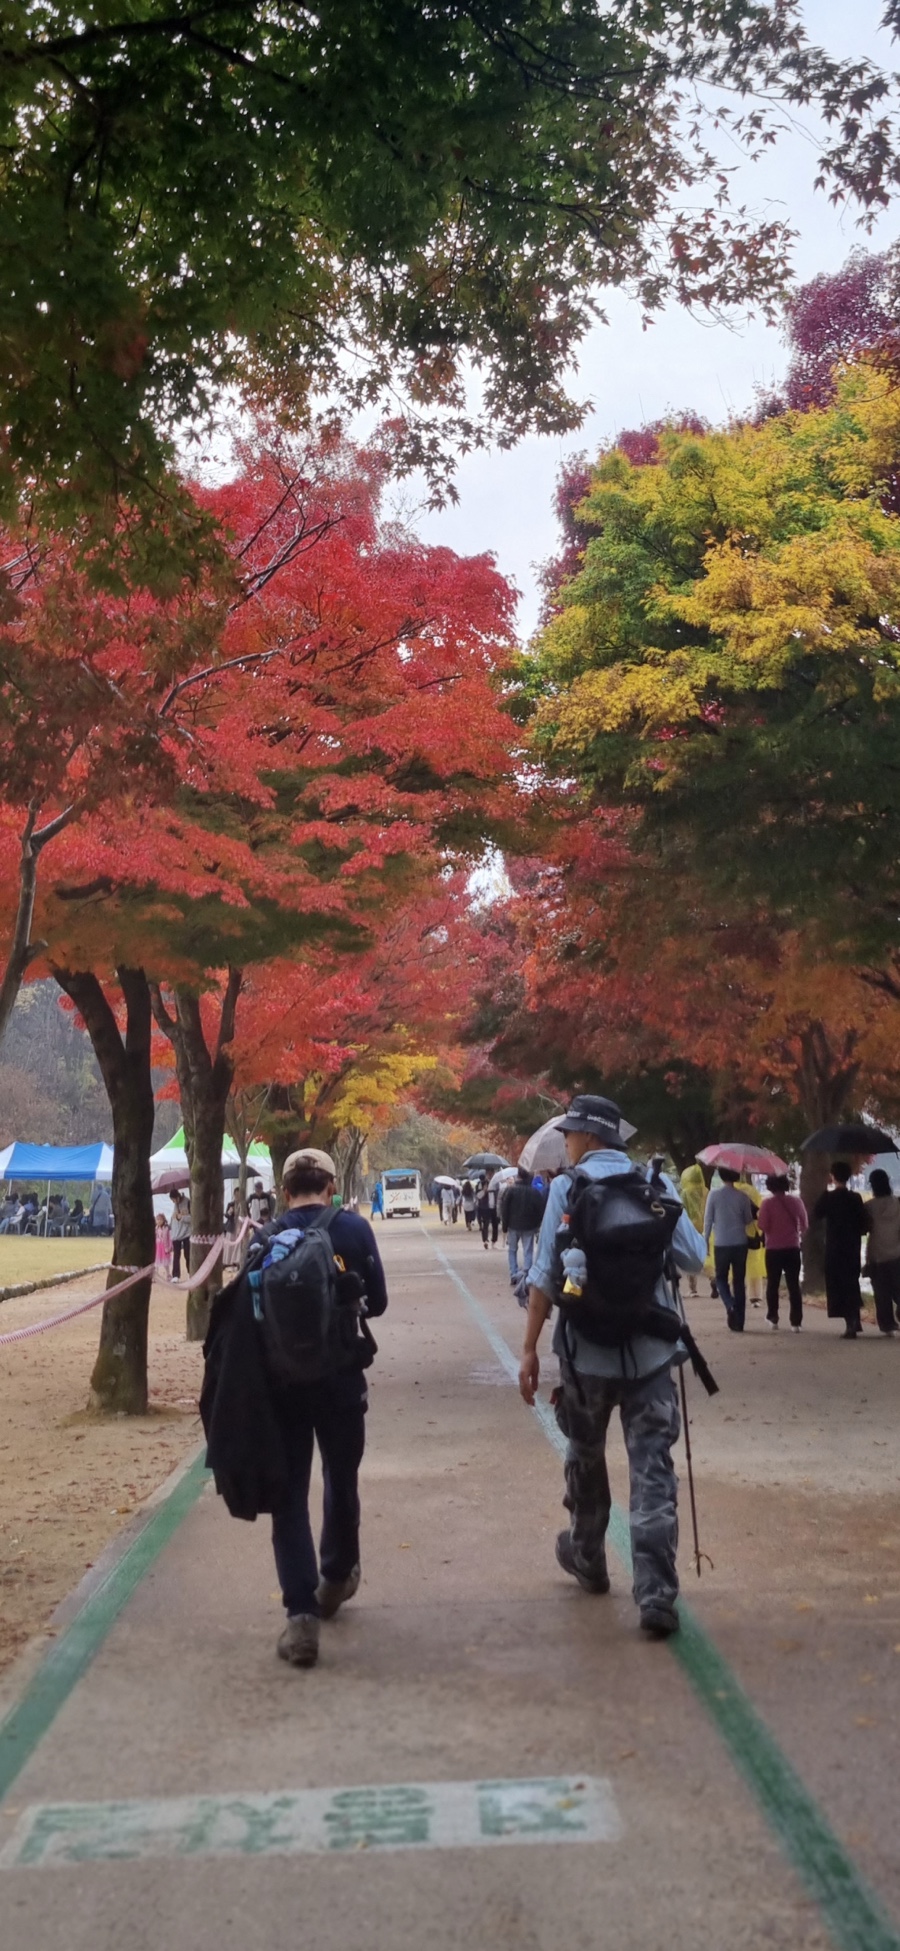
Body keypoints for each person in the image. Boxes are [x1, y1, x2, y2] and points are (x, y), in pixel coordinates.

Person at [519, 1093, 705, 1640]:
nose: (568, 1144)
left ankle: (588, 1558)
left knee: (585, 1456)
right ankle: (656, 1595)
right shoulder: (657, 1185)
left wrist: (529, 1350)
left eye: (572, 1134)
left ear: (590, 1137)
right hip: (651, 1354)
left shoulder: (567, 1188)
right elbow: (695, 1258)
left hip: (585, 1356)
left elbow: (544, 1278)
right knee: (653, 1469)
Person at [255, 1147, 388, 1668]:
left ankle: (301, 1616)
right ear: (331, 1186)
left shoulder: (267, 1236)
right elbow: (377, 1302)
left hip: (283, 1383)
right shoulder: (354, 1230)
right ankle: (336, 1577)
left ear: (285, 1190)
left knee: (289, 1495)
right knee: (341, 1478)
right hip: (340, 1378)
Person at [814, 1163, 869, 1339]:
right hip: (852, 1246)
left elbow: (817, 1213)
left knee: (837, 1283)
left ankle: (849, 1321)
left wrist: (824, 1191)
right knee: (852, 1282)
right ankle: (854, 1318)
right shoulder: (855, 1198)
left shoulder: (829, 1197)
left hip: (834, 1246)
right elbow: (862, 1223)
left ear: (833, 1176)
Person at [703, 1168, 757, 1331]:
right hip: (740, 1243)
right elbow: (748, 1220)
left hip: (721, 1243)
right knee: (739, 1281)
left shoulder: (713, 1195)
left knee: (721, 1278)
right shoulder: (743, 1197)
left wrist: (705, 1241)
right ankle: (740, 1322)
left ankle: (730, 1304)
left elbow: (708, 1220)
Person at [757, 1174, 808, 1331]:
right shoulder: (796, 1201)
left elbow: (762, 1226)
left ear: (770, 1186)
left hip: (773, 1249)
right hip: (792, 1248)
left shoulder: (767, 1204)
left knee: (773, 1284)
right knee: (794, 1285)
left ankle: (773, 1317)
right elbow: (805, 1224)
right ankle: (796, 1322)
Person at [864, 1169, 900, 1336]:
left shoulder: (869, 1207)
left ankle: (887, 1325)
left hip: (877, 1253)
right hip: (897, 1251)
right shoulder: (898, 1202)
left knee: (881, 1292)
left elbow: (864, 1228)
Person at [500, 1166, 546, 1289]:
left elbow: (505, 1209)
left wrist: (505, 1226)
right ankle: (526, 1274)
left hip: (513, 1225)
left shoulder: (510, 1191)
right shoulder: (535, 1192)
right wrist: (537, 1224)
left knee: (512, 1250)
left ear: (518, 1176)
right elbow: (540, 1210)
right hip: (529, 1226)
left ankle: (514, 1274)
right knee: (528, 1251)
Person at [678, 1163, 707, 1297]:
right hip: (705, 1225)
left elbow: (681, 1210)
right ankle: (713, 1278)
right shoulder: (705, 1191)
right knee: (707, 1254)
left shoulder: (685, 1192)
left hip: (691, 1225)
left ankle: (693, 1288)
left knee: (691, 1252)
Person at [169, 1190, 191, 1276]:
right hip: (176, 1235)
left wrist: (182, 1217)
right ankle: (175, 1275)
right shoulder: (175, 1205)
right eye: (172, 1200)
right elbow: (173, 1219)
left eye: (174, 1200)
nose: (173, 1202)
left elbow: (192, 1218)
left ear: (178, 1197)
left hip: (186, 1233)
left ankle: (191, 1272)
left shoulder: (188, 1202)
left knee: (187, 1254)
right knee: (176, 1256)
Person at [476, 1177, 498, 1250]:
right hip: (485, 1207)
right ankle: (485, 1240)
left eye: (492, 1172)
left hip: (494, 1207)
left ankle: (494, 1242)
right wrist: (484, 1190)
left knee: (495, 1225)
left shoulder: (496, 1183)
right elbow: (478, 1196)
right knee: (485, 1224)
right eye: (489, 1172)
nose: (490, 1174)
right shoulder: (481, 1183)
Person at [155, 1210, 172, 1275]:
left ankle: (168, 1274)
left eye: (160, 1220)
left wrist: (169, 1247)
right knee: (156, 1262)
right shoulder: (156, 1228)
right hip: (157, 1246)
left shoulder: (166, 1228)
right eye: (157, 1220)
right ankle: (156, 1276)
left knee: (165, 1262)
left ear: (163, 1220)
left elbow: (170, 1238)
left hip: (164, 1246)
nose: (158, 1221)